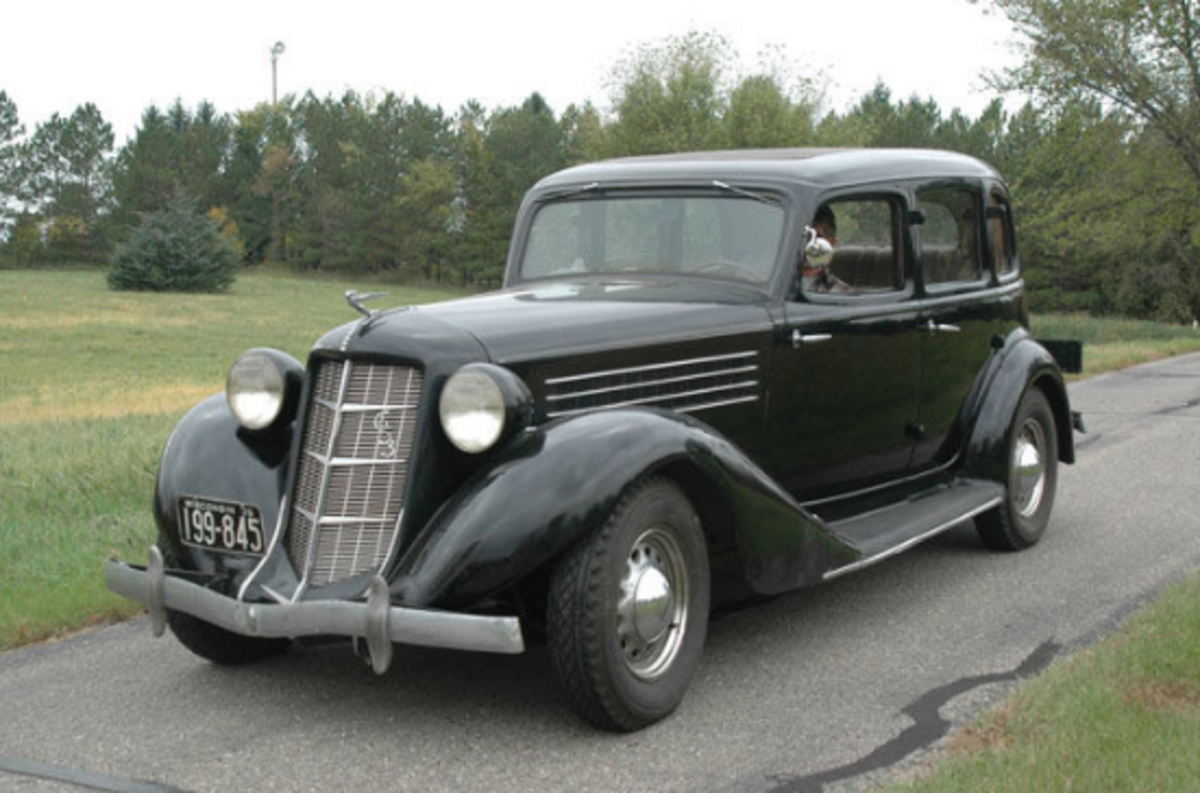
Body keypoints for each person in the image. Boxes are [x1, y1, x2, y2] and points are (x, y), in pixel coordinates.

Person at [801, 205, 851, 293]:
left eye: (817, 238)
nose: (807, 244)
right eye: (804, 236)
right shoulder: (774, 281)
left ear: (831, 244)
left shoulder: (840, 293)